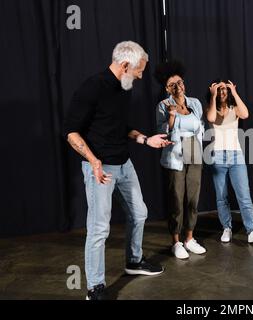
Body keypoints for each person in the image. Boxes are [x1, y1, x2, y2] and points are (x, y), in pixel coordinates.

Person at [63, 41, 172, 300]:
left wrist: (147, 139)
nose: (141, 75)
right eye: (139, 70)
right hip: (100, 169)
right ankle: (95, 288)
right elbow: (70, 132)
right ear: (125, 65)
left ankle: (133, 261)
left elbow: (120, 127)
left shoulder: (123, 88)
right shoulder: (92, 87)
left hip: (124, 164)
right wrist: (92, 160)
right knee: (99, 229)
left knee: (140, 213)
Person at [155, 60, 206, 260]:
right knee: (177, 199)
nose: (178, 87)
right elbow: (162, 134)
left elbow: (200, 127)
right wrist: (171, 117)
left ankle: (189, 238)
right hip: (175, 154)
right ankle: (176, 241)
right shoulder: (163, 105)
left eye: (180, 82)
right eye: (172, 85)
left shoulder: (195, 103)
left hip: (193, 150)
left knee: (193, 197)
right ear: (166, 88)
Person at [205, 79, 253, 244]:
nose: (222, 92)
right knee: (221, 196)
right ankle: (227, 228)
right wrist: (213, 96)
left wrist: (235, 92)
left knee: (244, 195)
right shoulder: (210, 108)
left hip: (236, 155)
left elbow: (245, 114)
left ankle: (252, 231)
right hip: (217, 156)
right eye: (219, 89)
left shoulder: (234, 108)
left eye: (224, 89)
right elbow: (211, 117)